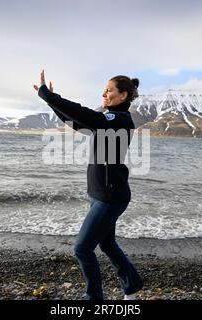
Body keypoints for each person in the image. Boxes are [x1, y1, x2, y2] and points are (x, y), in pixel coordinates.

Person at [33, 70, 143, 300]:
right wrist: (52, 102)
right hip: (99, 195)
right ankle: (132, 285)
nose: (104, 93)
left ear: (123, 95)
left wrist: (50, 97)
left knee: (82, 249)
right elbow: (76, 122)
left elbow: (87, 115)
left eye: (110, 90)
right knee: (107, 245)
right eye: (104, 90)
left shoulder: (119, 119)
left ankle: (94, 300)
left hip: (110, 198)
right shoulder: (106, 120)